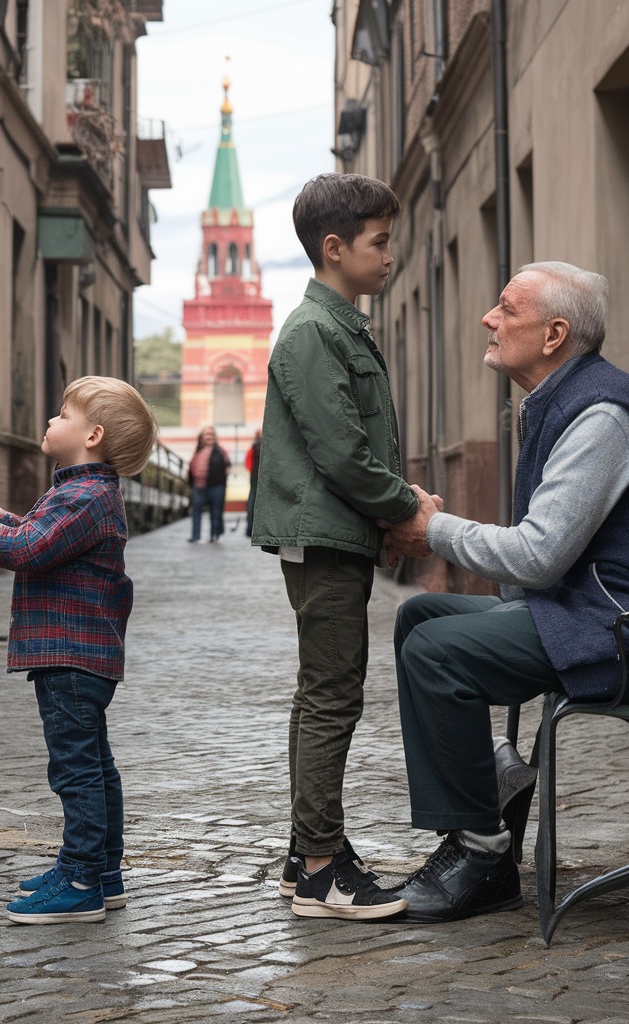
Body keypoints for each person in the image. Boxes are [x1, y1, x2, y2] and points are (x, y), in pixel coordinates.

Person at [382, 261, 629, 923]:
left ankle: (481, 853)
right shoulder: (561, 401)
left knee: (438, 652)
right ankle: (491, 793)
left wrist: (436, 529)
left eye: (507, 308)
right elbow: (539, 562)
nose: (489, 318)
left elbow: (537, 555)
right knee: (419, 618)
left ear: (555, 333)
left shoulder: (603, 416)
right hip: (592, 613)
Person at [251, 173, 420, 921]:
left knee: (319, 695)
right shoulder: (314, 333)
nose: (389, 255)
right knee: (330, 697)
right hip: (325, 537)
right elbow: (344, 453)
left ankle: (306, 852)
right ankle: (321, 868)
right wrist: (407, 506)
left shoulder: (339, 326)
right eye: (379, 242)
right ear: (335, 247)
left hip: (334, 533)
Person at [0, 376, 159, 924]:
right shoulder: (80, 491)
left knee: (75, 770)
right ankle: (101, 871)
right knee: (95, 765)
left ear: (93, 435)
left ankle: (82, 877)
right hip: (77, 653)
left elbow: (29, 549)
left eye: (63, 414)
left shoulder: (85, 496)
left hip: (69, 654)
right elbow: (38, 534)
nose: (50, 419)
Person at [186, 425, 230, 543]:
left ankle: (214, 535)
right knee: (195, 512)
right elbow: (191, 466)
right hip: (199, 487)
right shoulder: (198, 451)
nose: (209, 436)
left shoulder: (221, 451)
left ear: (215, 437)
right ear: (202, 437)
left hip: (216, 487)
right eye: (207, 434)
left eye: (211, 434)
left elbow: (227, 467)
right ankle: (195, 536)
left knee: (216, 513)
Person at [244, 429, 262, 537]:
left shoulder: (254, 447)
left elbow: (248, 464)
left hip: (254, 478)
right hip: (258, 478)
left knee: (252, 501)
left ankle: (250, 528)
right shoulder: (261, 446)